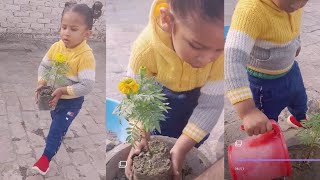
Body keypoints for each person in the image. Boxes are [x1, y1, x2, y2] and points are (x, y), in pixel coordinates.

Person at [124, 0, 224, 179]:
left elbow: (210, 106)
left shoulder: (220, 55)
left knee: (193, 139)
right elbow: (135, 99)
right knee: (160, 136)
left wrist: (183, 146)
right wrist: (139, 134)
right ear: (167, 19)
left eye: (219, 49)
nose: (207, 59)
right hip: (162, 102)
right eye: (197, 46)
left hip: (198, 100)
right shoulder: (146, 49)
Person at [32, 1, 103, 175]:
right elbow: (44, 66)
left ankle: (45, 159)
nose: (66, 33)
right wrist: (42, 83)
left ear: (87, 33)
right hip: (53, 96)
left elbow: (87, 85)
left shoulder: (85, 56)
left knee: (55, 129)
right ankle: (62, 129)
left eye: (73, 29)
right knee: (55, 118)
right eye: (64, 27)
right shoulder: (56, 47)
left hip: (71, 101)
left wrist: (63, 91)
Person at [225, 0, 309, 136]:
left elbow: (294, 25)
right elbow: (232, 60)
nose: (298, 5)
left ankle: (298, 119)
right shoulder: (250, 11)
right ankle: (271, 142)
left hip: (291, 70)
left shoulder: (293, 5)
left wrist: (296, 43)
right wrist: (248, 111)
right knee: (267, 124)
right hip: (263, 84)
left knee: (299, 100)